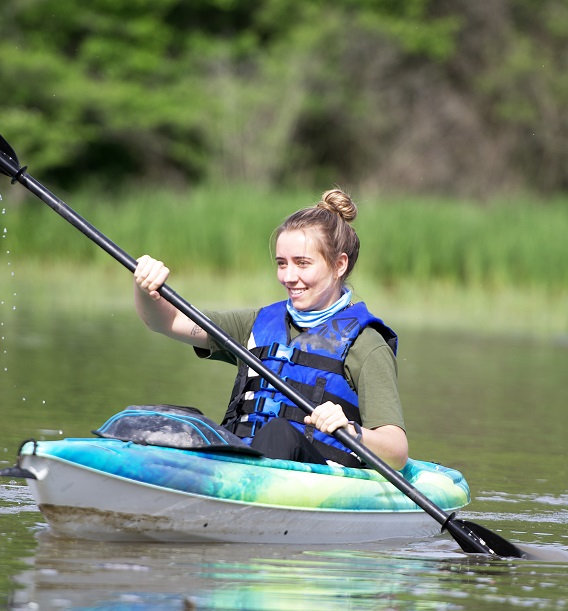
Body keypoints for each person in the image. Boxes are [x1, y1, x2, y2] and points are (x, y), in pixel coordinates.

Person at [132, 189, 408, 470]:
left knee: (279, 433)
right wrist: (145, 288)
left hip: (317, 481)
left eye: (302, 263)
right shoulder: (254, 325)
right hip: (243, 465)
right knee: (181, 421)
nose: (289, 277)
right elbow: (166, 321)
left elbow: (396, 451)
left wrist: (351, 431)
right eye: (281, 264)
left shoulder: (367, 345)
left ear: (339, 265)